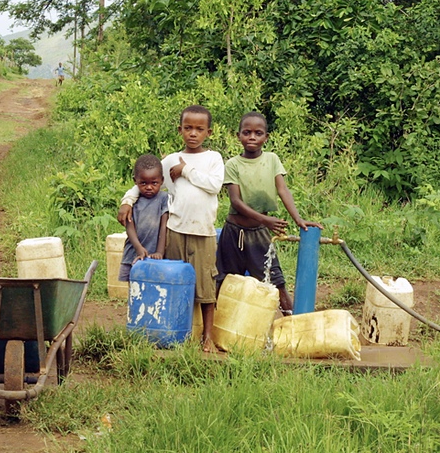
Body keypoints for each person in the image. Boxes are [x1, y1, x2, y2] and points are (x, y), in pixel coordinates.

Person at [118, 105, 224, 352]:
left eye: (199, 129)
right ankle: (173, 331)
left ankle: (207, 336)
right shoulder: (169, 161)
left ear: (208, 132)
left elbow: (214, 186)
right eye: (188, 128)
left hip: (203, 232)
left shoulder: (213, 159)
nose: (193, 134)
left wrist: (185, 170)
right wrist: (127, 200)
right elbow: (146, 179)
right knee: (173, 283)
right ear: (180, 130)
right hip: (175, 231)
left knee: (206, 287)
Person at [216, 111, 323, 316]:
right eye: (247, 133)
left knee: (276, 280)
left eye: (258, 133)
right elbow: (236, 201)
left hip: (259, 233)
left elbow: (283, 190)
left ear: (266, 137)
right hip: (234, 232)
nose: (252, 137)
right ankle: (221, 326)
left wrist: (298, 219)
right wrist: (266, 220)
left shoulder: (272, 159)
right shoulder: (233, 164)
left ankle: (293, 324)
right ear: (238, 135)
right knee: (228, 281)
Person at [119, 154, 170, 283]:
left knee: (154, 287)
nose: (148, 187)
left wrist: (159, 252)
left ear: (162, 181)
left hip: (155, 255)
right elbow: (129, 227)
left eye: (154, 183)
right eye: (143, 183)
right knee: (134, 290)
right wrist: (139, 248)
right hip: (133, 253)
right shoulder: (133, 201)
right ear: (135, 181)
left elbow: (164, 226)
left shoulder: (164, 199)